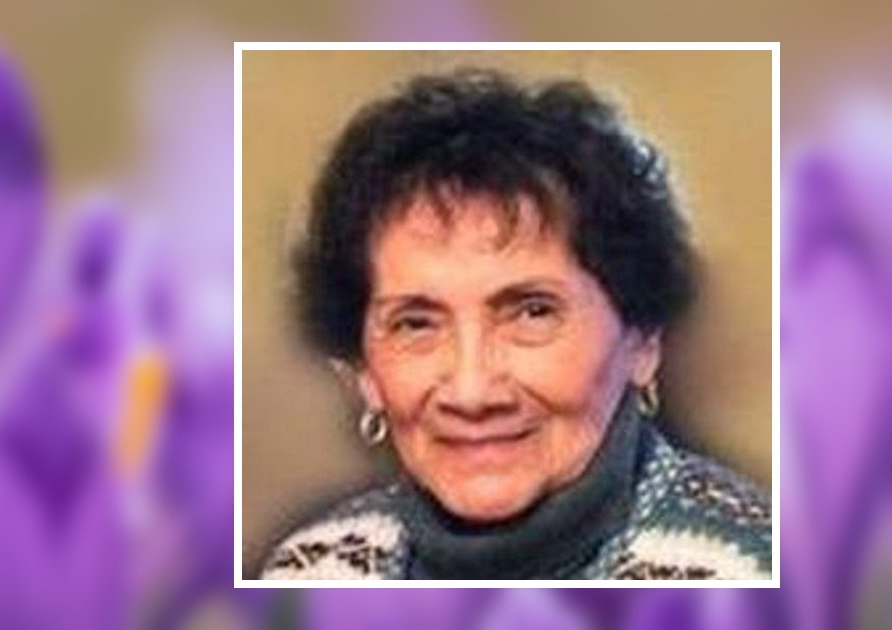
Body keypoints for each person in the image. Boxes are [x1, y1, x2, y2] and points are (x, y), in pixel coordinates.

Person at [259, 68, 771, 580]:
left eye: (533, 312)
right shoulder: (311, 571)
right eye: (415, 324)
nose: (472, 392)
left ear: (641, 342)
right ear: (364, 372)